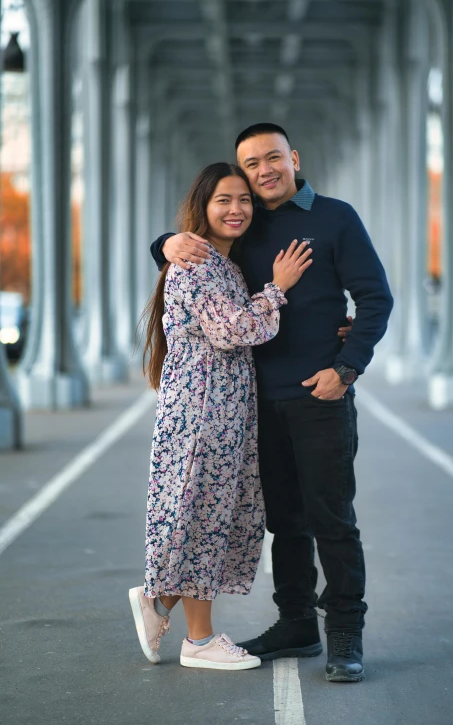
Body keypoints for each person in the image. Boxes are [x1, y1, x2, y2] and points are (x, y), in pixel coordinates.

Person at [150, 124, 394, 683]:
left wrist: (346, 367)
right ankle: (296, 624)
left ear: (294, 159)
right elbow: (200, 255)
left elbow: (376, 297)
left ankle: (345, 635)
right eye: (251, 164)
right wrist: (164, 242)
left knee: (332, 519)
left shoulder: (336, 217)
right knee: (284, 522)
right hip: (256, 403)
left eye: (272, 159)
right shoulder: (248, 223)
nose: (263, 172)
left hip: (320, 397)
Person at [129, 162, 313, 672]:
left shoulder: (226, 266)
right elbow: (231, 330)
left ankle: (161, 603)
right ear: (202, 208)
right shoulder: (195, 264)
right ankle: (198, 640)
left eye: (244, 200)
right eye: (224, 200)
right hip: (200, 413)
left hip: (224, 411)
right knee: (202, 515)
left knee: (214, 518)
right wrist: (277, 287)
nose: (236, 209)